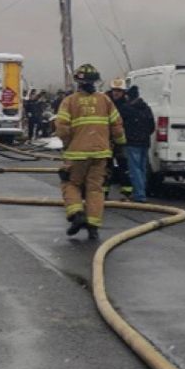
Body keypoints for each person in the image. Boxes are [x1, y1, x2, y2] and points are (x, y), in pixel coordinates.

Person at [55, 63, 126, 241]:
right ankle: (93, 226)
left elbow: (62, 128)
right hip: (101, 153)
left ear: (78, 82)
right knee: (95, 189)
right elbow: (117, 126)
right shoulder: (105, 100)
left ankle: (77, 214)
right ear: (95, 81)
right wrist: (120, 145)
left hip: (76, 154)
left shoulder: (69, 101)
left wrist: (68, 144)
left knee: (70, 183)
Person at [121, 84, 156, 202]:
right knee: (142, 169)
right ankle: (141, 192)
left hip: (132, 143)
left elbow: (120, 125)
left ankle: (139, 195)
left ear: (129, 96)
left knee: (134, 169)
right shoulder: (146, 108)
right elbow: (152, 126)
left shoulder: (126, 109)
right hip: (145, 143)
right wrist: (144, 135)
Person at [105, 77, 132, 199]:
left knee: (124, 166)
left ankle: (126, 192)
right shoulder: (106, 104)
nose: (116, 93)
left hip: (122, 141)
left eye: (119, 91)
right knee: (106, 167)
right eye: (114, 90)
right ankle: (104, 192)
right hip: (107, 140)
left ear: (123, 92)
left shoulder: (126, 106)